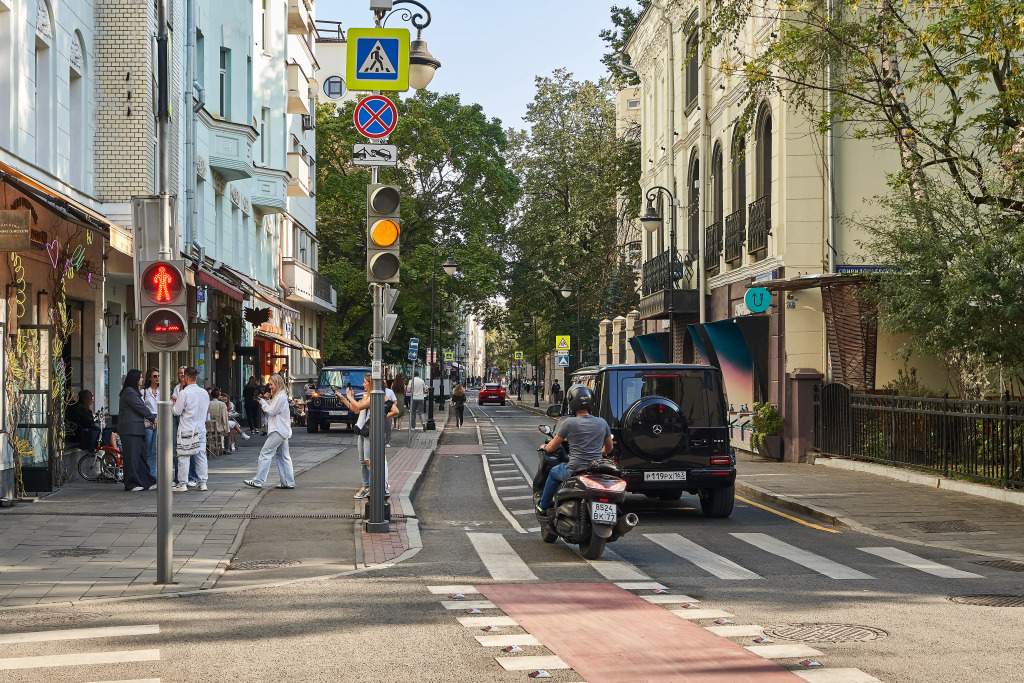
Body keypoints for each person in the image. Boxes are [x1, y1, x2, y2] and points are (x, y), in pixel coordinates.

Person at [537, 385, 613, 515]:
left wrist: (544, 447)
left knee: (553, 473)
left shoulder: (569, 423)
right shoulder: (602, 422)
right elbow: (609, 448)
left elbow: (552, 447)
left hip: (574, 469)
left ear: (572, 403)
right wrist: (602, 452)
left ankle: (543, 507)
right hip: (596, 470)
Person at [336, 375, 398, 499]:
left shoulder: (376, 396)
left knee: (368, 460)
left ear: (371, 384)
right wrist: (344, 398)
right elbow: (356, 410)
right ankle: (367, 486)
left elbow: (395, 411)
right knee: (363, 461)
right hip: (362, 430)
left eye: (365, 382)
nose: (363, 384)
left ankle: (377, 486)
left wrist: (380, 416)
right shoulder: (367, 396)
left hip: (370, 432)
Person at [243, 373, 296, 489]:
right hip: (282, 430)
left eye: (271, 384)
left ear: (277, 384)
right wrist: (266, 401)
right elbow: (273, 408)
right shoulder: (279, 396)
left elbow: (271, 411)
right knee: (283, 456)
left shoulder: (280, 397)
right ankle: (288, 482)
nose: (270, 387)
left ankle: (259, 480)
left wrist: (262, 402)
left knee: (265, 453)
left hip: (278, 430)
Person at [172, 366, 211, 492]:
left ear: (186, 377)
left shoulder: (184, 393)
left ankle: (183, 484)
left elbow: (177, 411)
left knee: (184, 456)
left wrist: (172, 405)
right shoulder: (204, 392)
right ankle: (202, 482)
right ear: (196, 377)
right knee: (200, 455)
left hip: (186, 429)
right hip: (200, 428)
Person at [118, 369, 157, 492]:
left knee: (141, 457)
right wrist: (152, 418)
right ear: (135, 379)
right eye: (140, 377)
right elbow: (140, 407)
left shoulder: (133, 392)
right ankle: (131, 483)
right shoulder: (129, 392)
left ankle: (145, 481)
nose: (141, 379)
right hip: (130, 430)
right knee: (132, 457)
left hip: (137, 429)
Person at [142, 367, 160, 479]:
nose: (157, 378)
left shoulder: (161, 391)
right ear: (149, 378)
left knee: (155, 447)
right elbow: (141, 407)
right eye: (155, 376)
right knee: (147, 445)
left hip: (159, 417)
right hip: (148, 418)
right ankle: (146, 473)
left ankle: (153, 474)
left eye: (158, 376)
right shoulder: (143, 392)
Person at [207, 388, 231, 453]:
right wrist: (226, 428)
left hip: (207, 427)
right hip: (218, 427)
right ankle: (227, 448)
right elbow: (224, 417)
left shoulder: (207, 404)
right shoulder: (222, 404)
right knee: (228, 431)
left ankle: (209, 448)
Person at [384, 379, 397, 447]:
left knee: (388, 427)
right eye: (383, 383)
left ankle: (387, 441)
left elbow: (395, 401)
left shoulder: (390, 391)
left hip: (388, 412)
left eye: (385, 383)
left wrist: (393, 408)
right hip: (379, 412)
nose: (385, 384)